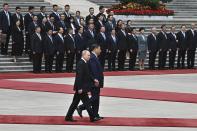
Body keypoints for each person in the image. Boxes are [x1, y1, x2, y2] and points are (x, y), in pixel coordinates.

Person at [65, 50, 101, 122]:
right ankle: (92, 117)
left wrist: (94, 80)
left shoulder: (85, 63)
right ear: (83, 55)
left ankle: (68, 116)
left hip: (82, 87)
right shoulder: (81, 63)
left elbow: (88, 74)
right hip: (81, 88)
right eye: (88, 55)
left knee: (75, 103)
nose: (89, 57)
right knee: (87, 103)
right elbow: (79, 77)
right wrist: (80, 88)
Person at [77, 44, 104, 120]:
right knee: (95, 97)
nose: (100, 50)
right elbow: (93, 71)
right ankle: (81, 107)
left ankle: (95, 114)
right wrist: (95, 80)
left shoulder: (94, 57)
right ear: (95, 49)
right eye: (99, 49)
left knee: (96, 98)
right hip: (94, 82)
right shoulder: (92, 57)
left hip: (96, 81)